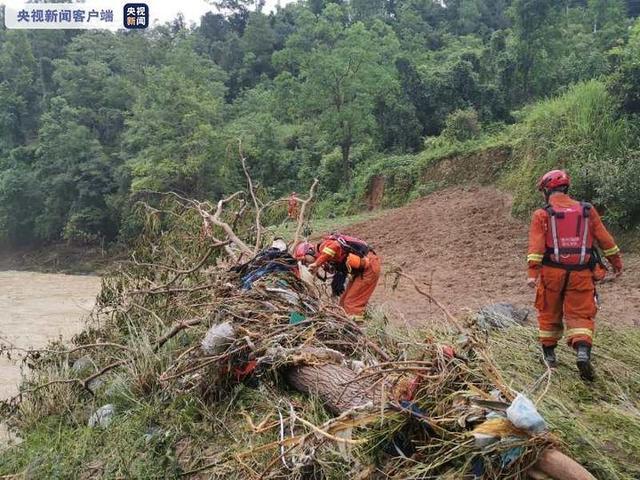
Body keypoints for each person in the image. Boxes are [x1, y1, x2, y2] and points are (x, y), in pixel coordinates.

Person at [527, 169, 623, 381]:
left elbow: (536, 247)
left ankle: (550, 357)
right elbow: (605, 240)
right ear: (566, 188)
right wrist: (617, 263)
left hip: (552, 273)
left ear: (546, 191)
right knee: (580, 314)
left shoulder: (542, 214)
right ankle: (582, 352)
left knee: (548, 311)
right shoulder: (587, 211)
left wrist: (532, 273)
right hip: (581, 274)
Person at [294, 234, 381, 321]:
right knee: (342, 304)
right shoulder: (327, 259)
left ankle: (358, 329)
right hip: (360, 270)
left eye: (305, 260)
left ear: (309, 251)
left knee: (351, 304)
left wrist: (317, 263)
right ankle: (348, 325)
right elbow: (341, 263)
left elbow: (336, 245)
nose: (306, 264)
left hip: (369, 267)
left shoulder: (323, 247)